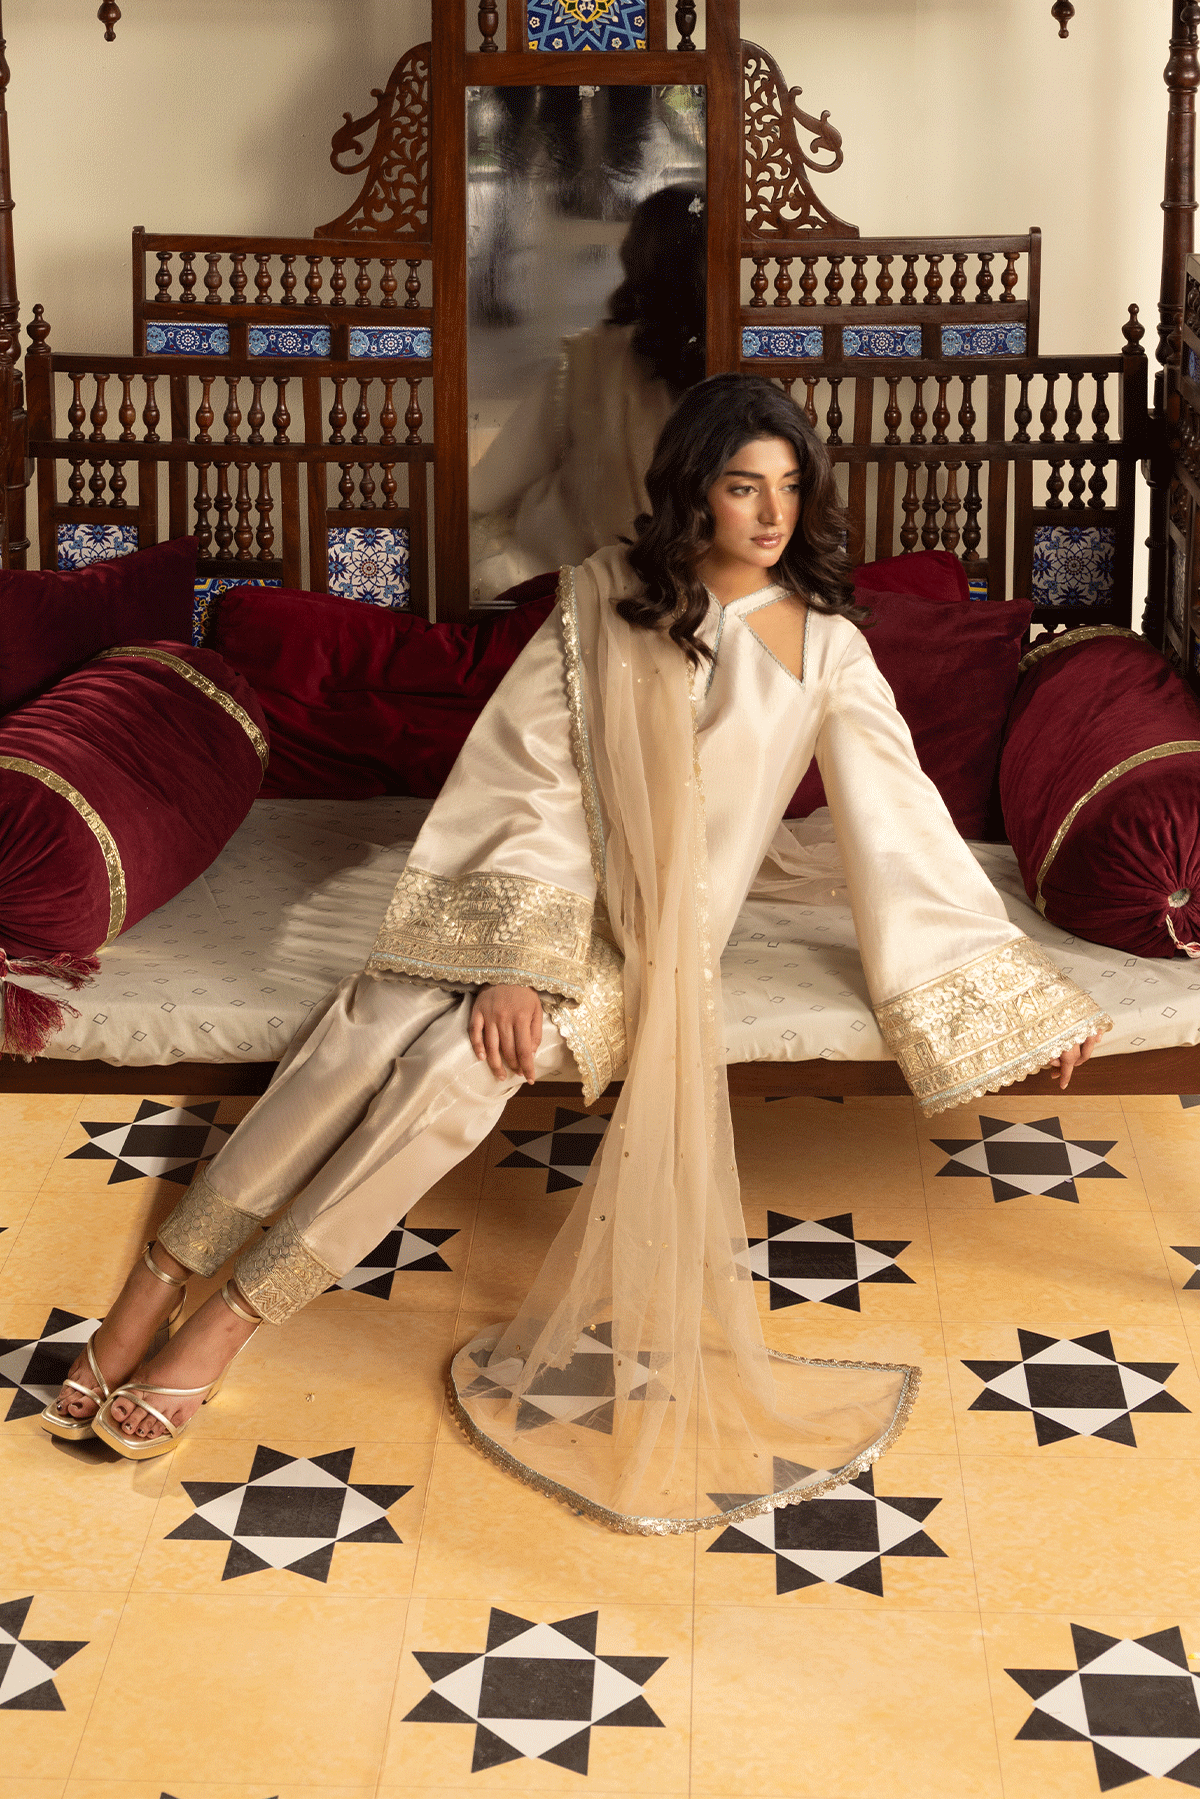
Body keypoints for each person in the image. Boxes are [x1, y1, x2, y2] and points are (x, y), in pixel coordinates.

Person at [46, 375, 1107, 1531]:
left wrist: (1027, 999)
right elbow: (529, 777)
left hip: (655, 940)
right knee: (369, 1021)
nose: (771, 513)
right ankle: (156, 1280)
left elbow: (901, 824)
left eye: (790, 486)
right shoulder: (603, 599)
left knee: (457, 1067)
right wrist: (517, 956)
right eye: (743, 485)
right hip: (521, 895)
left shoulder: (829, 649)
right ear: (692, 490)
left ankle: (229, 1319)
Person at [469, 182, 706, 600]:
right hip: (699, 593)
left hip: (575, 592)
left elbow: (489, 486)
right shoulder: (750, 365)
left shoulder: (586, 362)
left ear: (636, 259)